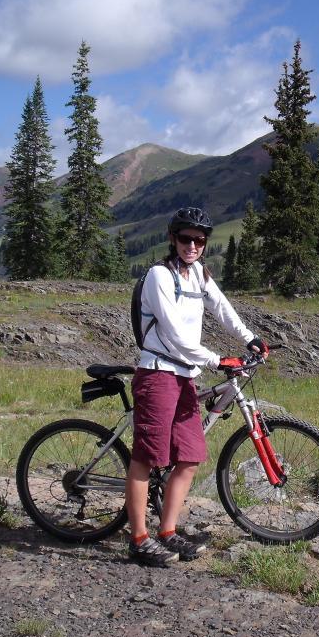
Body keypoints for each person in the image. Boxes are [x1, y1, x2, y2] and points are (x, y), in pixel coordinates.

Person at [127, 206, 268, 566]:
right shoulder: (160, 276)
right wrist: (216, 359)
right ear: (173, 239)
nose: (193, 245)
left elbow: (223, 309)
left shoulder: (199, 276)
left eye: (200, 240)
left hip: (184, 377)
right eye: (186, 238)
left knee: (189, 456)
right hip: (158, 373)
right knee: (146, 458)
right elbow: (173, 333)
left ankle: (168, 531)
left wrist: (250, 339)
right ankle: (139, 539)